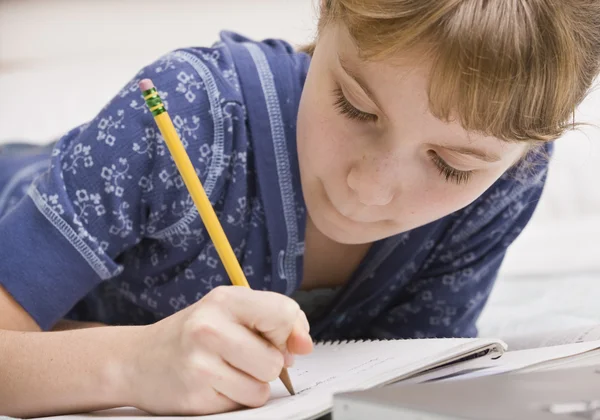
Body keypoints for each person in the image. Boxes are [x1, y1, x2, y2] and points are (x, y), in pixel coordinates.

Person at [1, 0, 599, 416]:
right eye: (356, 106)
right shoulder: (187, 115)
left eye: (451, 166)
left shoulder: (507, 183)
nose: (367, 189)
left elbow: (400, 374)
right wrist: (127, 363)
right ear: (324, 15)